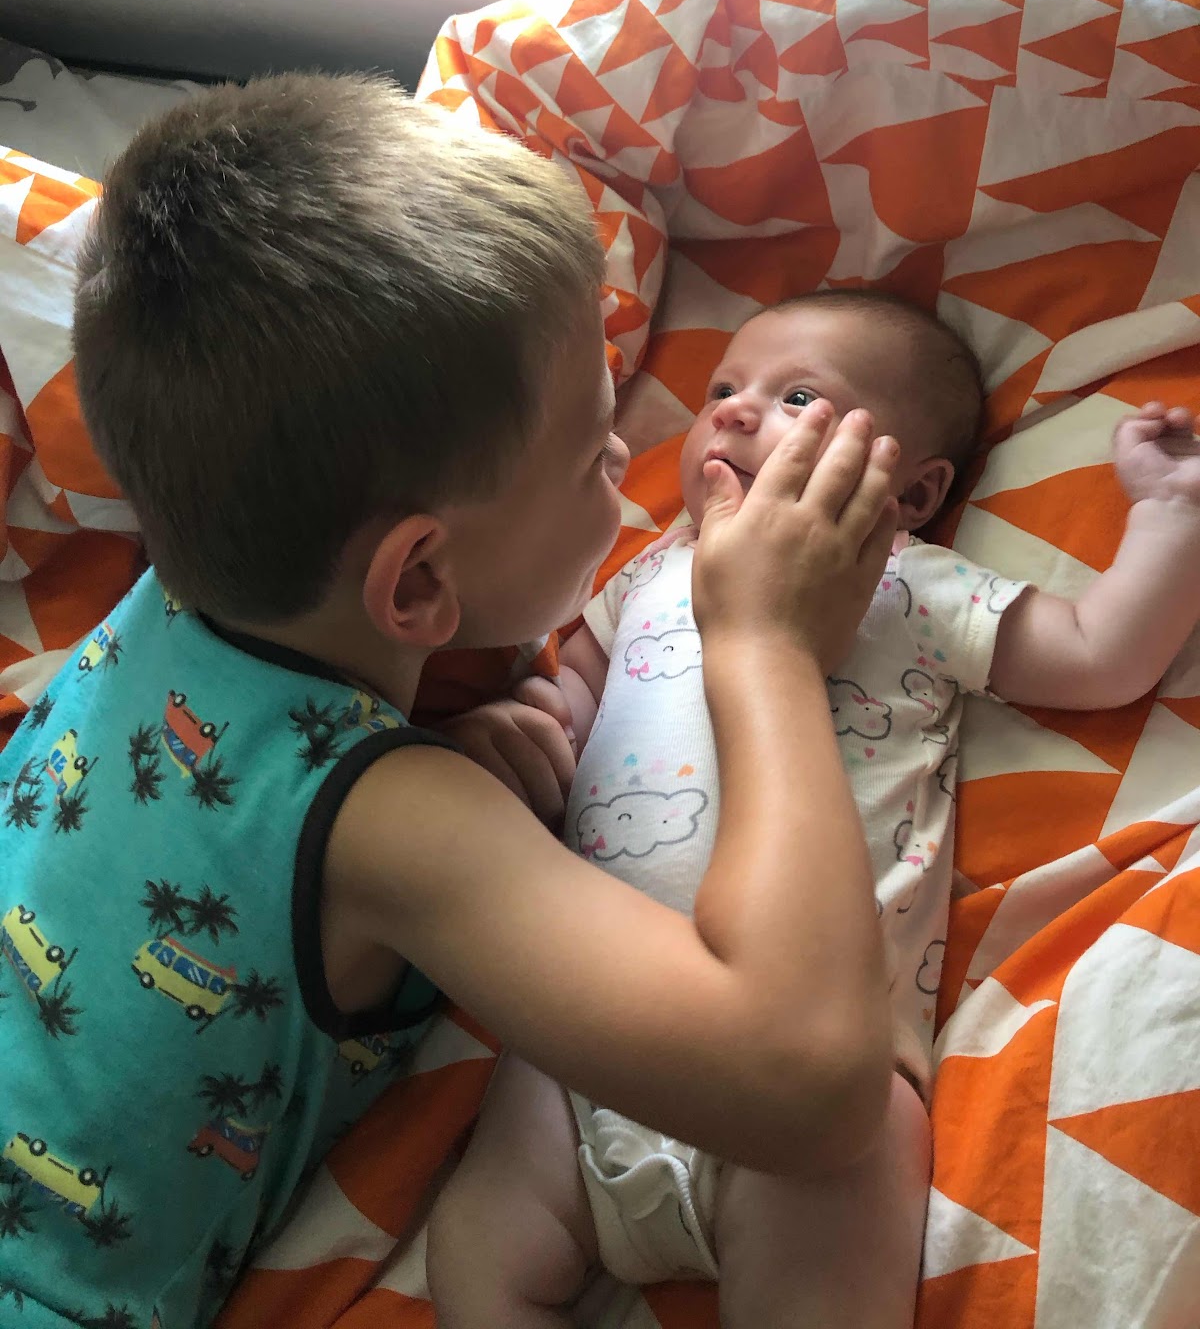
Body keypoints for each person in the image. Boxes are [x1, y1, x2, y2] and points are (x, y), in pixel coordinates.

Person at [0, 75, 904, 1328]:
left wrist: (442, 746)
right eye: (590, 452)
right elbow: (813, 1088)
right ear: (419, 580)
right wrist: (767, 646)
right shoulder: (401, 822)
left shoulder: (186, 576)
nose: (625, 459)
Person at [428, 290, 1200, 1328]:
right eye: (723, 387)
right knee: (473, 1254)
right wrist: (513, 738)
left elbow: (1104, 654)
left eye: (797, 397)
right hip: (600, 1029)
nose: (734, 411)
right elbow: (569, 705)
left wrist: (1170, 513)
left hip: (824, 1079)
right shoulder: (647, 572)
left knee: (848, 1200)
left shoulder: (907, 583)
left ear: (910, 492)